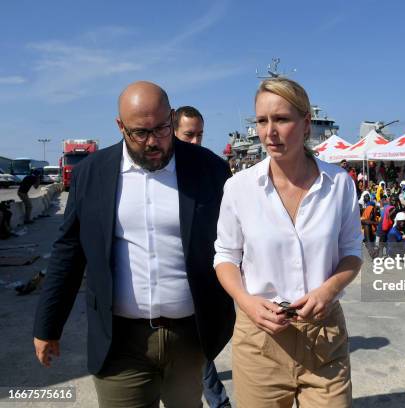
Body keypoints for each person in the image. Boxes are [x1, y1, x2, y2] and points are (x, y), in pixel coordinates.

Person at [33, 81, 235, 407]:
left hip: (190, 338)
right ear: (120, 126)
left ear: (171, 118)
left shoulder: (209, 169)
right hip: (119, 343)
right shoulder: (92, 174)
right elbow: (69, 251)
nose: (153, 142)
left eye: (162, 129)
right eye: (140, 133)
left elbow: (235, 244)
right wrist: (48, 324)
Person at [214, 77, 362, 407]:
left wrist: (328, 290)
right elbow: (225, 255)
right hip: (260, 338)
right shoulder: (240, 188)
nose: (270, 132)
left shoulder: (339, 184)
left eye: (281, 119)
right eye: (262, 121)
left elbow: (352, 253)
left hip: (324, 336)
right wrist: (245, 300)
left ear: (306, 123)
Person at [173, 104, 230, 407]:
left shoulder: (215, 169)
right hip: (170, 288)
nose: (195, 142)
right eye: (188, 135)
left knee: (201, 353)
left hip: (205, 280)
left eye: (200, 135)